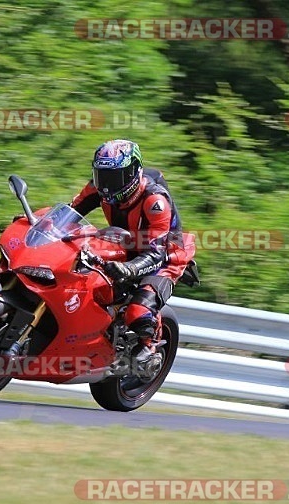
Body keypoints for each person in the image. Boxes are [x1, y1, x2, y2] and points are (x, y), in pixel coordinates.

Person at [70, 139, 196, 375]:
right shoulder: (99, 189)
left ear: (133, 172)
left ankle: (149, 345)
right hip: (125, 242)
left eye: (115, 177)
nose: (107, 185)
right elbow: (71, 212)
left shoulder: (155, 202)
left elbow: (156, 253)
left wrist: (129, 269)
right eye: (102, 176)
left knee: (137, 311)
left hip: (166, 254)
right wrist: (40, 225)